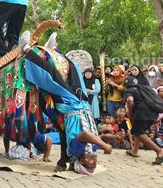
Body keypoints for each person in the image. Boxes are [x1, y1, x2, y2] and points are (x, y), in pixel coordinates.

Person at [20, 33, 112, 175]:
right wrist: (109, 139)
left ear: (81, 161)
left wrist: (104, 145)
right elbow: (98, 136)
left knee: (53, 77)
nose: (94, 162)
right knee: (74, 68)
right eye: (95, 164)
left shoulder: (75, 151)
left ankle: (26, 49)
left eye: (90, 164)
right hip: (82, 103)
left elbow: (85, 135)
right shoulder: (92, 149)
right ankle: (55, 49)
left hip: (68, 105)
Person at [123, 77, 163, 165]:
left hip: (142, 113)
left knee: (137, 133)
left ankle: (159, 150)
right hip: (154, 112)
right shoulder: (143, 88)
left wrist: (129, 110)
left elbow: (130, 100)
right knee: (140, 131)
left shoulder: (129, 90)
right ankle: (134, 151)